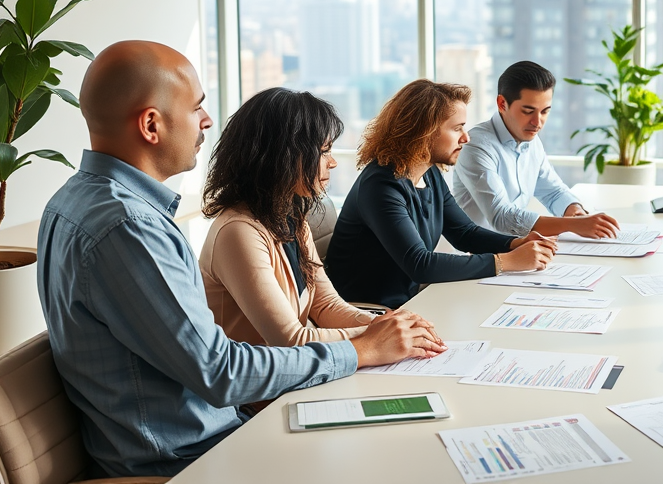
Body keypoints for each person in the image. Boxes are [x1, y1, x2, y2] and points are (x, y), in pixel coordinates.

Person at [37, 42, 444, 478]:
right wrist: (359, 349)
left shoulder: (73, 202)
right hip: (188, 457)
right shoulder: (129, 227)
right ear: (151, 124)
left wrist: (377, 337)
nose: (207, 121)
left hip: (210, 431)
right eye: (197, 108)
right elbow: (220, 371)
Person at [326, 79, 557, 309]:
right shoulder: (380, 186)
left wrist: (516, 244)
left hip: (409, 301)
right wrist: (506, 262)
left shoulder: (428, 173)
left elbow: (464, 233)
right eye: (457, 128)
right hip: (369, 312)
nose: (465, 138)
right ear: (423, 132)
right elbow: (421, 264)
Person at [201, 87, 404, 349]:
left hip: (291, 373)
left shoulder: (291, 216)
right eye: (323, 151)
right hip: (259, 385)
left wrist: (382, 325)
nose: (332, 163)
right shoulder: (238, 232)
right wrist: (377, 336)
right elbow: (290, 339)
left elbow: (324, 305)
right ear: (281, 155)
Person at [453, 60, 620, 239]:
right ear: (502, 104)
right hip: (478, 257)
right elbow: (502, 217)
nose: (537, 122)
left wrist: (575, 212)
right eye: (528, 111)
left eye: (545, 111)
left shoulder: (531, 140)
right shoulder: (475, 146)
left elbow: (553, 191)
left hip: (517, 249)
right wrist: (572, 225)